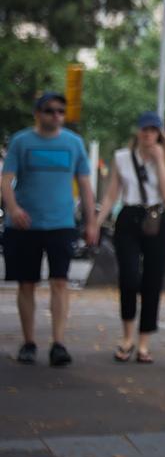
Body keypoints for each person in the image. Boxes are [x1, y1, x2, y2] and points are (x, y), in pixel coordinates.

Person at [2, 92, 98, 367]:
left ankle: (58, 343)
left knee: (60, 282)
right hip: (25, 225)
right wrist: (14, 209)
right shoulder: (21, 142)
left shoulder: (74, 143)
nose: (55, 115)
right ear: (38, 114)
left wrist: (91, 222)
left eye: (60, 111)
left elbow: (86, 186)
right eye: (49, 111)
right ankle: (29, 342)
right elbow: (5, 180)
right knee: (27, 284)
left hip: (61, 223)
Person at [97, 112, 165, 363]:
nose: (148, 135)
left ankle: (144, 343)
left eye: (153, 130)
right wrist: (96, 223)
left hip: (157, 218)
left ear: (160, 134)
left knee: (153, 281)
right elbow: (112, 194)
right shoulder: (122, 157)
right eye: (144, 130)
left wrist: (159, 161)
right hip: (129, 217)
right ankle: (126, 337)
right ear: (138, 131)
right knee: (129, 277)